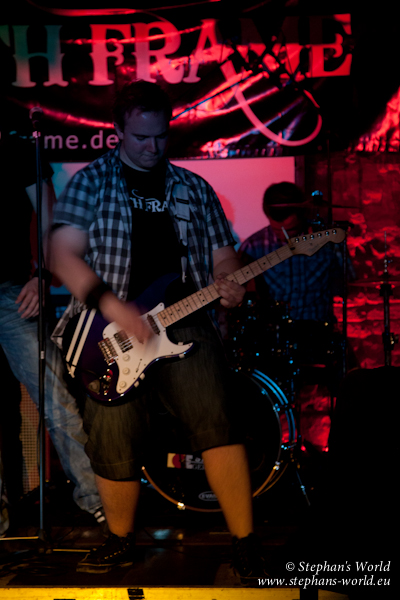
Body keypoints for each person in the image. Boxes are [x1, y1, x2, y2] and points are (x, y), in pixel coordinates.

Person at [50, 79, 266, 581]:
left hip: (185, 318)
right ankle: (119, 541)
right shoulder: (91, 182)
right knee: (113, 435)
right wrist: (115, 306)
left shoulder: (193, 188)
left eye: (161, 136)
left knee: (217, 421)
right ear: (118, 131)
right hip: (107, 328)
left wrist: (231, 280)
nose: (152, 147)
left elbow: (223, 255)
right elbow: (62, 254)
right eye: (141, 137)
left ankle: (246, 542)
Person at [0, 131, 104, 536]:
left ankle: (97, 498)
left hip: (11, 294)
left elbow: (49, 219)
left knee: (54, 397)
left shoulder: (17, 149)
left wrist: (43, 275)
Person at [238, 181, 347, 375]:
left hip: (319, 332)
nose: (284, 237)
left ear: (302, 215)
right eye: (277, 230)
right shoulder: (254, 246)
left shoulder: (327, 241)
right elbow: (236, 297)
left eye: (291, 230)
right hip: (274, 338)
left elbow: (347, 284)